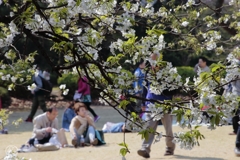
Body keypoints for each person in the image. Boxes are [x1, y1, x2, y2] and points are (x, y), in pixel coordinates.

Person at [137, 53, 175, 158]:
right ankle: (145, 148)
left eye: (154, 59)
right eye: (151, 60)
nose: (153, 62)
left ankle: (170, 147)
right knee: (149, 127)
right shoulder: (148, 72)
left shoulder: (166, 72)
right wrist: (143, 103)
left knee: (168, 129)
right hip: (151, 104)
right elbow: (144, 88)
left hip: (165, 104)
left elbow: (172, 89)